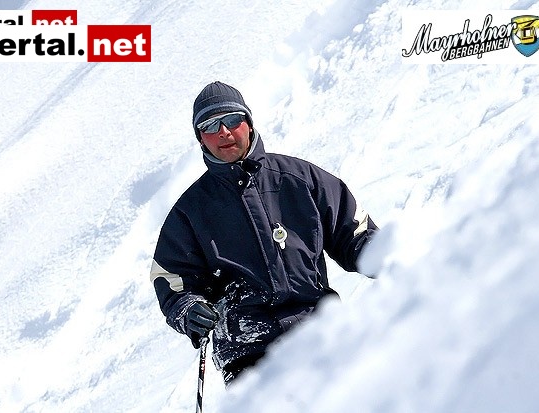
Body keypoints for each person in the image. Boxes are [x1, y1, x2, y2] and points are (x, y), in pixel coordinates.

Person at [150, 81, 378, 385]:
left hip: (321, 329)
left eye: (232, 120)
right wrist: (188, 309)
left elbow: (355, 234)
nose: (224, 132)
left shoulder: (299, 179)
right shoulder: (190, 212)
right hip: (248, 352)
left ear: (248, 122)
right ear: (200, 138)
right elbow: (173, 281)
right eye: (210, 126)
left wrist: (384, 256)